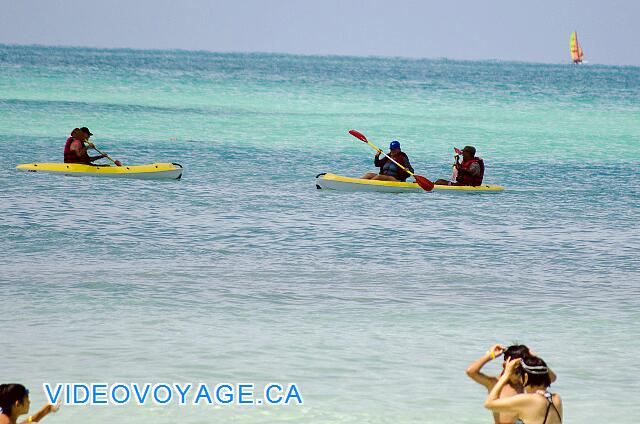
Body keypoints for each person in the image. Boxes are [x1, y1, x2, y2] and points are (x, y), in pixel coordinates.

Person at [466, 344, 556, 424]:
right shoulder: (495, 383)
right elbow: (471, 371)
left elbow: (552, 378)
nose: (518, 376)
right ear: (505, 365)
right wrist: (490, 355)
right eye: (516, 371)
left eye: (521, 371)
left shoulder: (526, 383)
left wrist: (534, 358)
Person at [485, 356, 562, 424]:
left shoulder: (526, 400)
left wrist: (506, 375)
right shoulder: (557, 399)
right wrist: (533, 358)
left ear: (526, 377)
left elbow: (489, 404)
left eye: (520, 375)